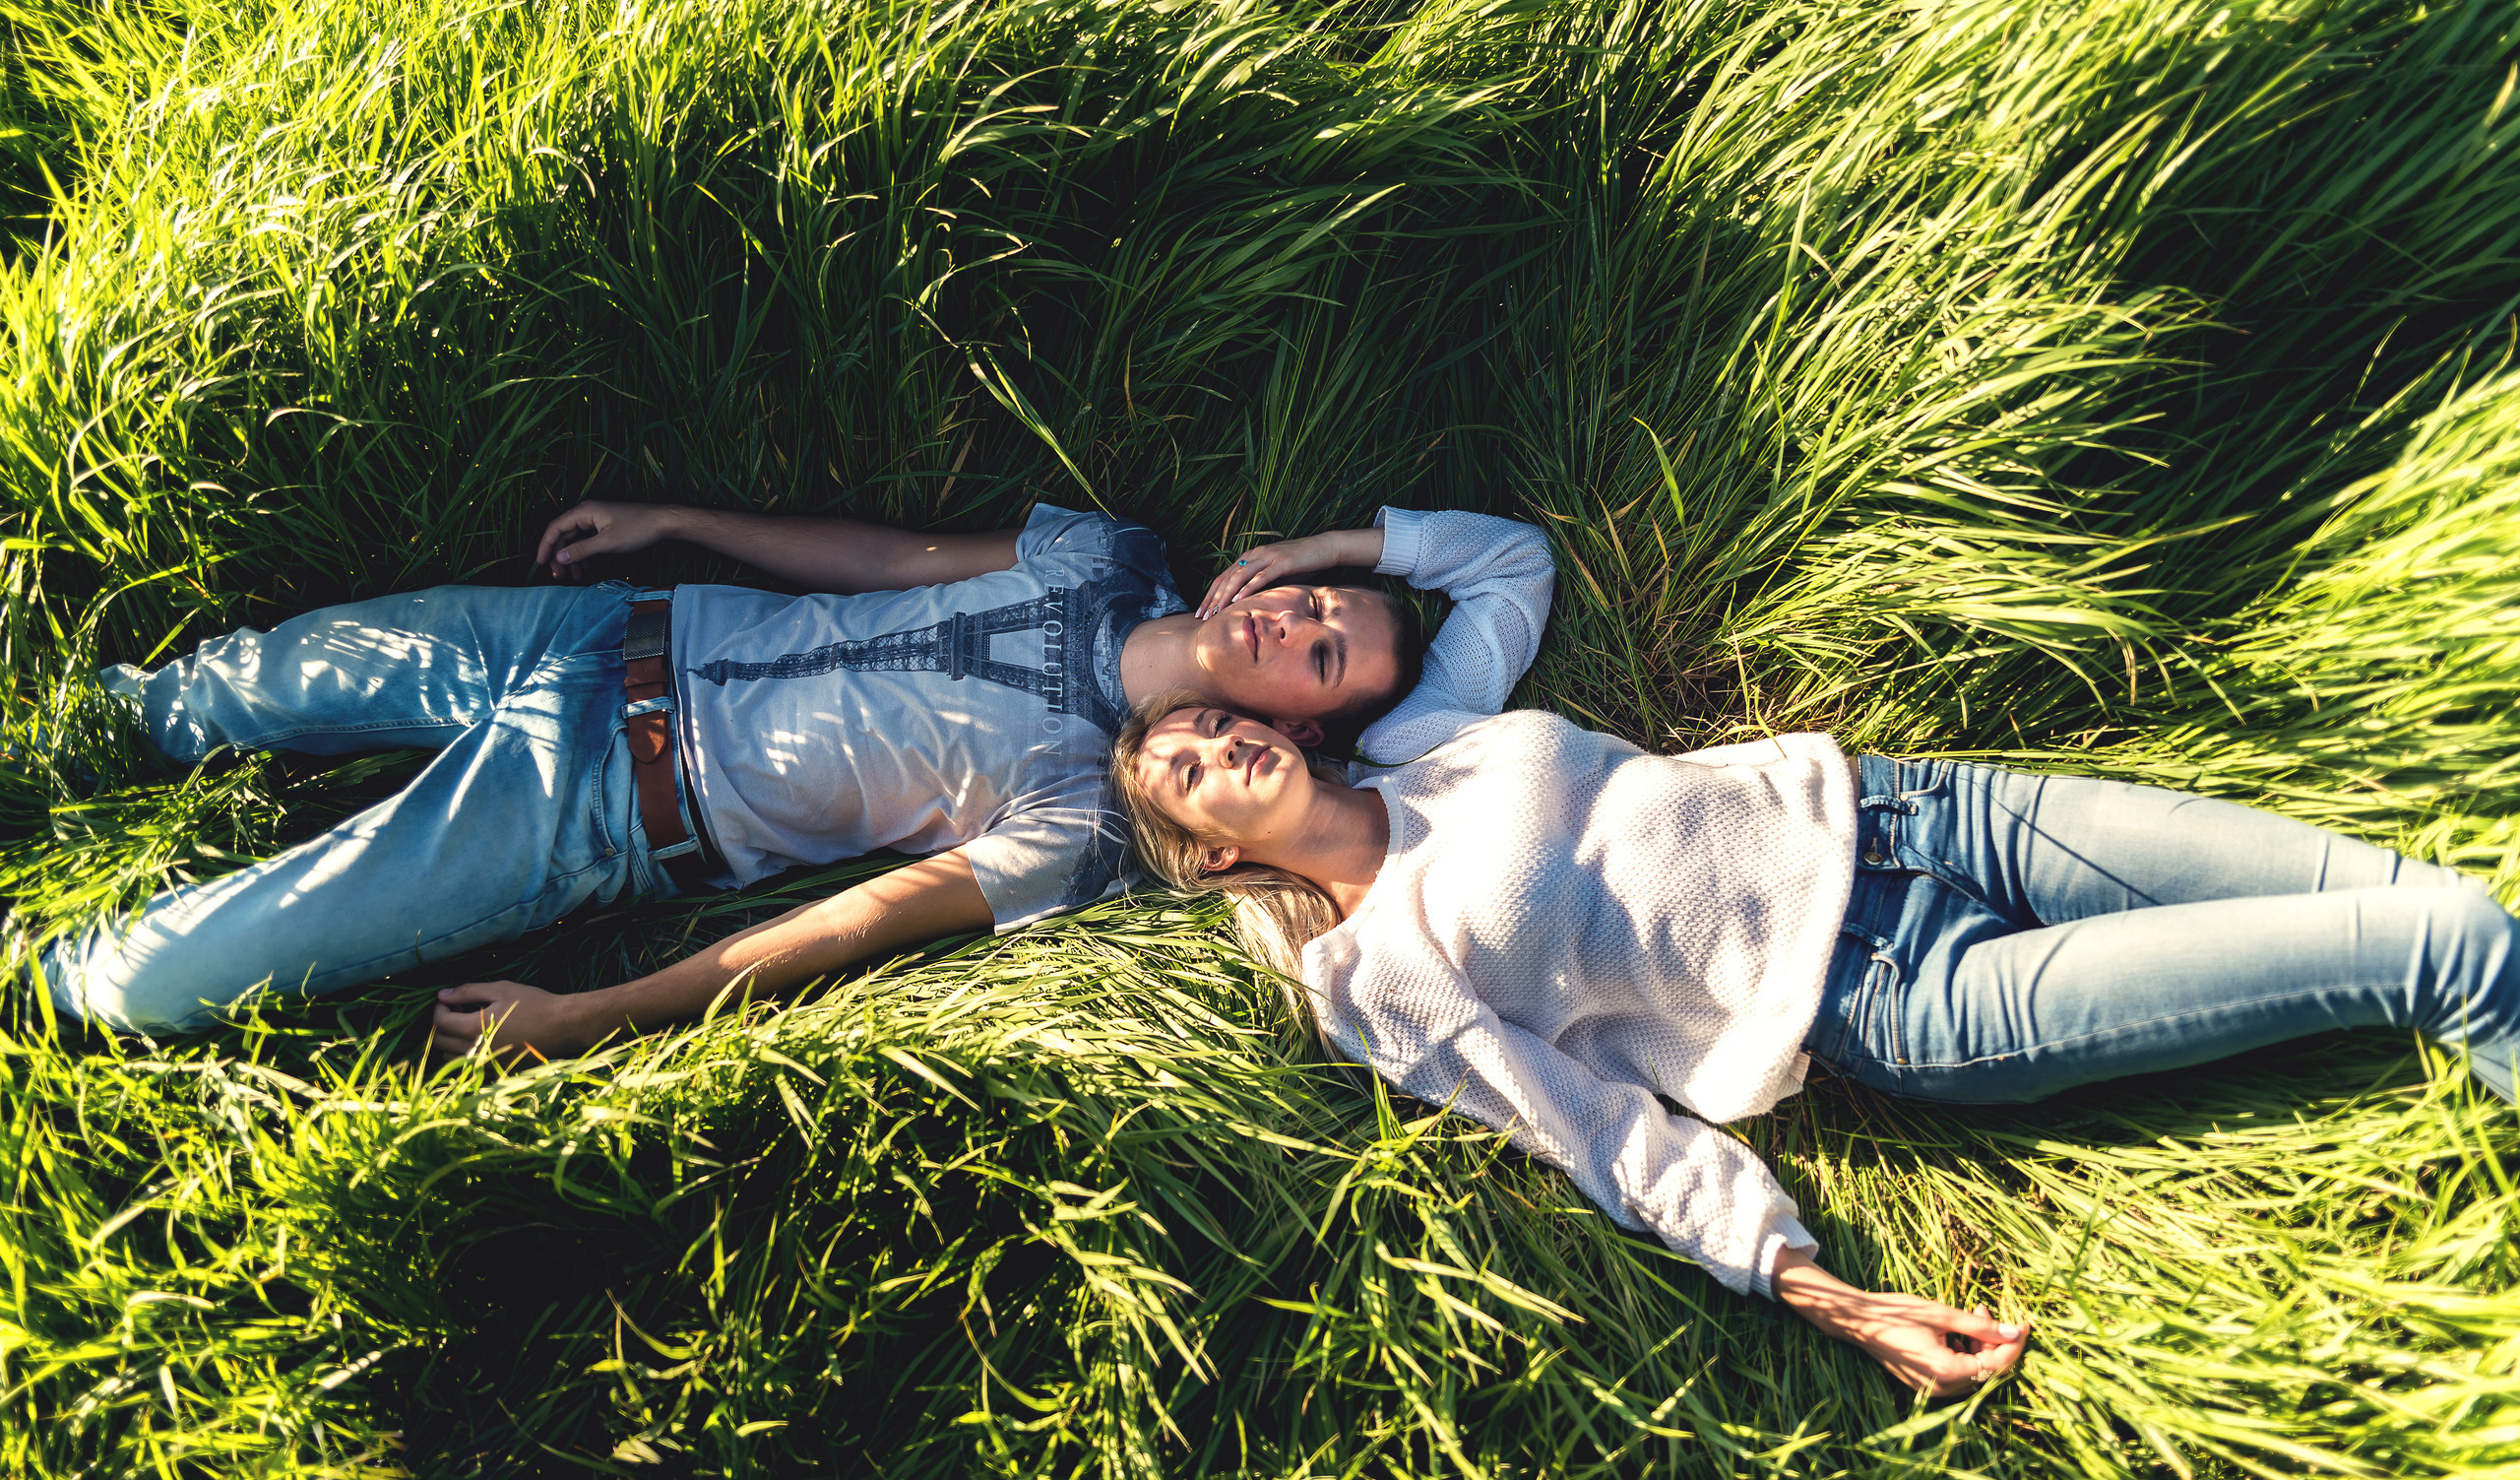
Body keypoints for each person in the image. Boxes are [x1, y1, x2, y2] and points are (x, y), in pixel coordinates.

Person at [1109, 686, 2520, 1396]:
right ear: (1212, 856)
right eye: (1189, 767)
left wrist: (1313, 557)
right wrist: (1834, 1298)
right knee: (2455, 949)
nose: (1224, 743)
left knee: (2428, 906)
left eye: (1222, 719)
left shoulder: (1432, 739)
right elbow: (1605, 1135)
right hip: (1904, 994)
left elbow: (1501, 565)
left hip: (1921, 810)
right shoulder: (1378, 980)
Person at [39, 499, 1556, 1060]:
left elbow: (859, 922)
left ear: (1300, 733)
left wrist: (593, 1016)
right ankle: (61, 732)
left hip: (602, 808)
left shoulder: (1096, 815)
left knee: (157, 979)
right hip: (599, 630)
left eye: (1323, 657)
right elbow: (887, 556)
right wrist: (675, 519)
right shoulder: (1108, 550)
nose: (1293, 623)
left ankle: (34, 974)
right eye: (1308, 603)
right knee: (217, 690)